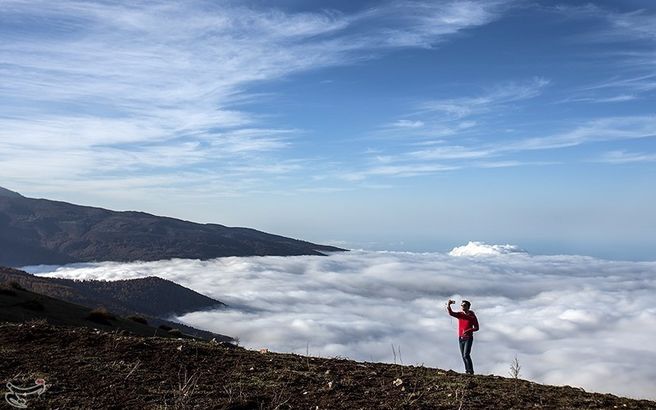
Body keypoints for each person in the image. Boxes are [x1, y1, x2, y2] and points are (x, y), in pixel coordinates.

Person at [447, 299, 479, 374]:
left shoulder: (472, 316)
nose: (462, 307)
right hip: (460, 338)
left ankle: (470, 371)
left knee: (466, 355)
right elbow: (451, 313)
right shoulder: (460, 314)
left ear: (468, 307)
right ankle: (467, 371)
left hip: (468, 338)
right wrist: (449, 305)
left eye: (464, 305)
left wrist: (469, 330)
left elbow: (477, 327)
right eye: (461, 305)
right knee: (463, 356)